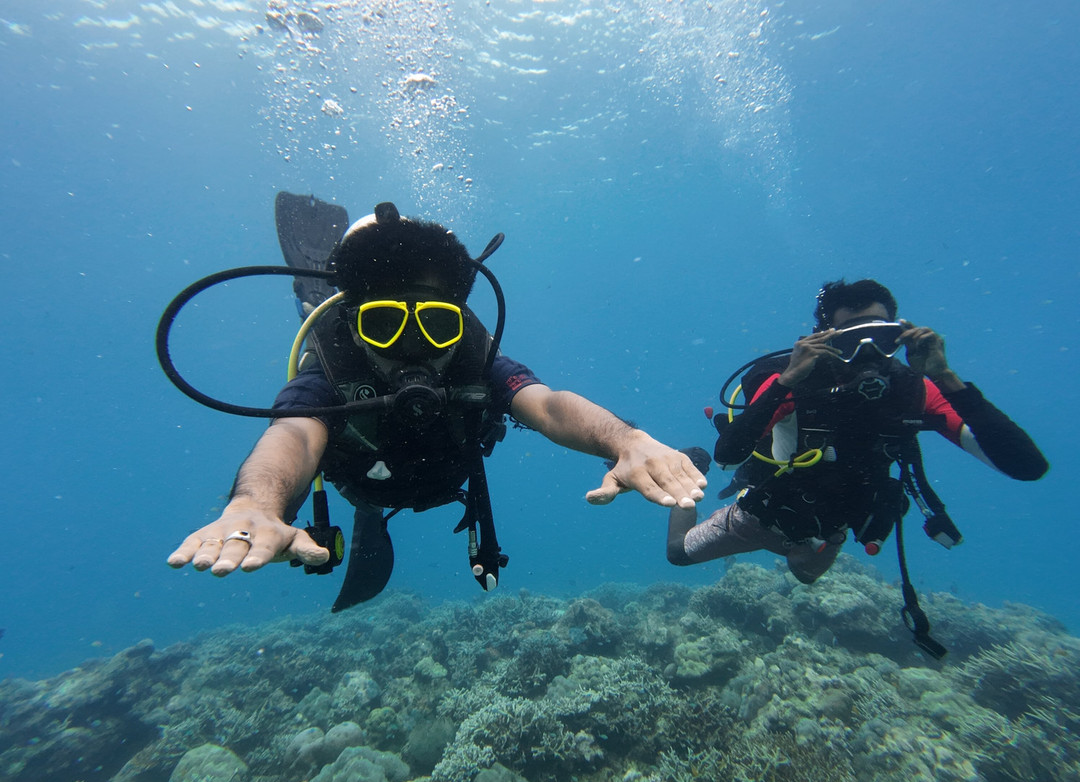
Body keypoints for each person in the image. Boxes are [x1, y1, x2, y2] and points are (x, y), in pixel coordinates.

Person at [167, 195, 707, 610]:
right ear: (355, 326)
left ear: (457, 324)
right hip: (364, 482)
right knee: (352, 459)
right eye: (383, 323)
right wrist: (256, 506)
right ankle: (320, 299)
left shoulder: (475, 357)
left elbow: (547, 406)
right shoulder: (332, 367)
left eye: (436, 323)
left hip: (443, 475)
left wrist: (625, 439)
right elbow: (293, 434)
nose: (412, 346)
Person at [667, 278, 1048, 585]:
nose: (867, 353)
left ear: (899, 337)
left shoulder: (915, 389)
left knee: (805, 577)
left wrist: (945, 378)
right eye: (849, 338)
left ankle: (803, 554)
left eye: (880, 338)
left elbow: (1025, 466)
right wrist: (787, 381)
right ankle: (688, 469)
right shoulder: (794, 380)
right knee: (678, 553)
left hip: (828, 533)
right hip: (759, 517)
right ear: (824, 338)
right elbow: (727, 456)